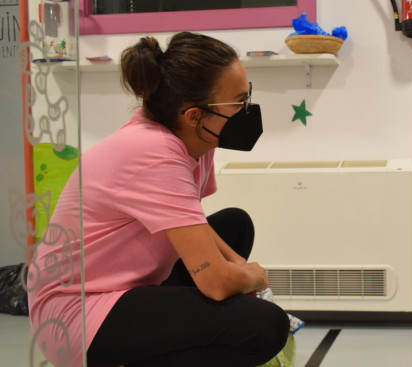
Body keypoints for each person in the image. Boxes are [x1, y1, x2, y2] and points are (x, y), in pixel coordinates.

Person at [28, 32, 290, 367]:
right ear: (194, 115)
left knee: (234, 225)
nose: (247, 110)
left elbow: (190, 222)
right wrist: (254, 277)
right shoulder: (154, 153)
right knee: (265, 326)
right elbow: (216, 282)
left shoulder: (196, 139)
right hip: (75, 314)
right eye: (239, 102)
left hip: (126, 287)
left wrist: (237, 263)